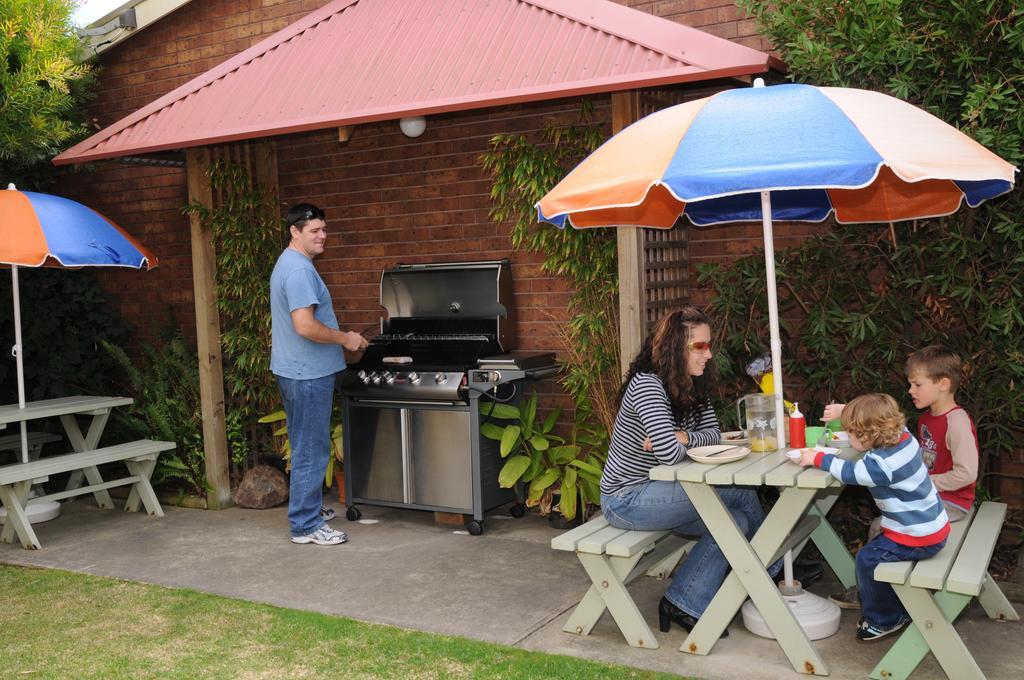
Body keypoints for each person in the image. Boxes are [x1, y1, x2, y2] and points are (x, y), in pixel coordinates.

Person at [600, 307, 789, 635]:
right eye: (699, 346)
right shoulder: (647, 386)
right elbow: (672, 456)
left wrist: (685, 436)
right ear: (675, 349)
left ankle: (683, 600)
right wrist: (684, 443)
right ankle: (769, 570)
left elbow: (714, 436)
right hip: (627, 498)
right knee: (737, 490)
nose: (709, 353)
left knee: (737, 520)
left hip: (666, 493)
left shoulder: (692, 386)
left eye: (708, 345)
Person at [822, 345, 978, 608]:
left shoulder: (957, 422)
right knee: (884, 521)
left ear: (943, 384)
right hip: (926, 497)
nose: (910, 391)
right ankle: (876, 589)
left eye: (917, 384)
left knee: (879, 527)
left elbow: (966, 474)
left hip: (950, 503)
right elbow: (883, 421)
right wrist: (847, 409)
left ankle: (875, 595)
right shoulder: (927, 416)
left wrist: (918, 482)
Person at [795, 393, 949, 641]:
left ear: (868, 435)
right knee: (876, 545)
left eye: (851, 432)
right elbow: (878, 419)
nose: (848, 435)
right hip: (931, 525)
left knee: (868, 559)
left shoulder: (882, 465)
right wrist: (848, 410)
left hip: (918, 536)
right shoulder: (904, 438)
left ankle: (885, 620)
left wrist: (817, 458)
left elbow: (850, 472)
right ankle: (882, 601)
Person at [270, 203, 368, 546]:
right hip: (307, 374)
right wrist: (346, 338)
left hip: (296, 371)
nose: (322, 236)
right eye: (314, 231)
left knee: (304, 444)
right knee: (312, 447)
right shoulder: (298, 271)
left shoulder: (290, 263)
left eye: (324, 229)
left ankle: (306, 509)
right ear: (294, 232)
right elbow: (305, 326)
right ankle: (305, 525)